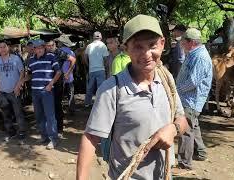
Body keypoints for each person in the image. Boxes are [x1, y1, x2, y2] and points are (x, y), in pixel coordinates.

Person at [76, 14, 189, 180]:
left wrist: (173, 129)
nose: (146, 54)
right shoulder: (112, 89)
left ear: (162, 44)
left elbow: (182, 119)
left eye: (152, 45)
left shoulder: (167, 80)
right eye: (138, 47)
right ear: (126, 48)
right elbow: (90, 138)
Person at [174, 28, 213, 174]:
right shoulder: (193, 53)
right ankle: (201, 153)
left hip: (191, 100)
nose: (181, 44)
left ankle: (184, 164)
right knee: (193, 126)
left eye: (183, 42)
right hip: (188, 99)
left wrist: (176, 90)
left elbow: (193, 82)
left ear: (191, 43)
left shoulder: (200, 57)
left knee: (186, 130)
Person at [26, 39, 61, 149]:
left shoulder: (51, 57)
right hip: (35, 92)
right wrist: (21, 81)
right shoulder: (31, 60)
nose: (39, 49)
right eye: (37, 48)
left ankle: (53, 139)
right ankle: (44, 136)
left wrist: (51, 84)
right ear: (34, 49)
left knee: (50, 115)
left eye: (41, 47)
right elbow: (30, 74)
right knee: (39, 115)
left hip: (47, 91)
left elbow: (59, 72)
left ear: (44, 48)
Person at [0, 40, 26, 142]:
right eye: (0, 47)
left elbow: (22, 72)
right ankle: (11, 132)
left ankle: (22, 132)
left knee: (18, 112)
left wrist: (18, 86)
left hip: (14, 91)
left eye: (4, 47)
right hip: (2, 92)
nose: (2, 49)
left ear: (8, 47)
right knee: (6, 114)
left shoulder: (16, 58)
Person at [45, 39, 76, 133]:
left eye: (51, 45)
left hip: (58, 81)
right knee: (48, 104)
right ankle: (50, 127)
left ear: (54, 44)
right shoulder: (45, 53)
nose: (49, 48)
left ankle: (59, 128)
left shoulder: (59, 52)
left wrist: (68, 72)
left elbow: (73, 60)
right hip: (47, 81)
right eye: (47, 46)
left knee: (57, 104)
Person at [84, 31, 109, 107]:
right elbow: (105, 58)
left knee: (90, 87)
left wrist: (88, 65)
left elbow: (85, 57)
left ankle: (87, 103)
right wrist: (105, 66)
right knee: (100, 87)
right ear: (100, 37)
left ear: (93, 37)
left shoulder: (89, 46)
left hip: (91, 69)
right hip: (101, 69)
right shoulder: (103, 46)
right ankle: (99, 103)